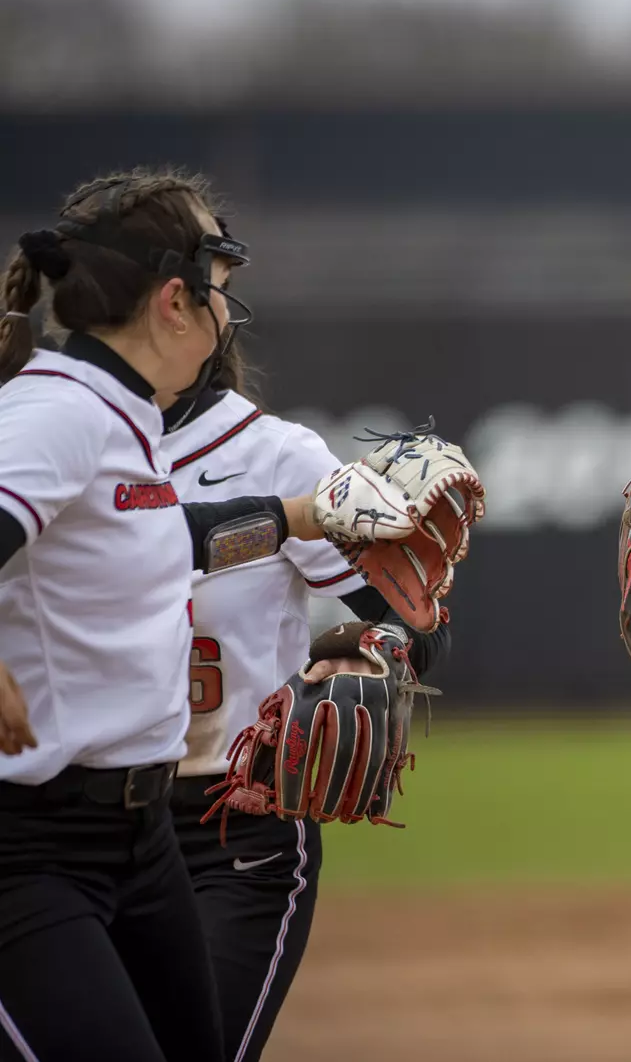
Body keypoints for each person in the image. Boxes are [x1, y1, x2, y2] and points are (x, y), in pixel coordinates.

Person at [0, 170, 364, 1062]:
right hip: (30, 844)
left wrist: (296, 522)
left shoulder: (117, 415)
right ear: (174, 300)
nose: (223, 318)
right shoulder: (58, 413)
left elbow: (167, 537)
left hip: (140, 835)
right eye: (219, 293)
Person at [161, 339, 451, 1062]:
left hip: (234, 828)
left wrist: (373, 648)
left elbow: (407, 617)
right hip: (75, 819)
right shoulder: (47, 436)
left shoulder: (274, 453)